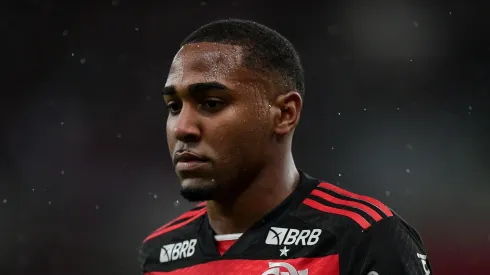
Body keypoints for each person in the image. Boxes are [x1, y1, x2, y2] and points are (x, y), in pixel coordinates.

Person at [139, 19, 432, 275]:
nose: (183, 128)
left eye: (212, 103)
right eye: (174, 106)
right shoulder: (161, 255)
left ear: (284, 114)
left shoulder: (361, 236)